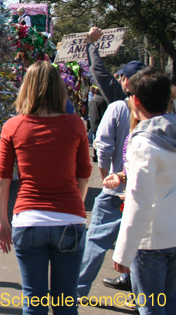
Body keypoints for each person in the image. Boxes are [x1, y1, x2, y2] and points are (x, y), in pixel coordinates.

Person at [0, 61, 91, 314]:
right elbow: (84, 175)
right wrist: (76, 208)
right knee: (66, 302)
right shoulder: (75, 124)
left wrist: (2, 222)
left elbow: (3, 179)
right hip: (69, 220)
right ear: (59, 89)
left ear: (26, 88)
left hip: (28, 220)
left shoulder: (12, 126)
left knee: (33, 302)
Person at [76, 57, 145, 296]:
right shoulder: (165, 114)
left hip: (117, 190)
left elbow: (102, 146)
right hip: (146, 194)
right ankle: (139, 293)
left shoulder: (118, 107)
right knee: (140, 245)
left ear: (127, 82)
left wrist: (106, 176)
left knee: (96, 241)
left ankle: (76, 292)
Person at [113, 67, 176, 315]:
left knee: (151, 309)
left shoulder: (143, 142)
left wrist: (124, 251)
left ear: (135, 100)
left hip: (150, 242)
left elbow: (138, 200)